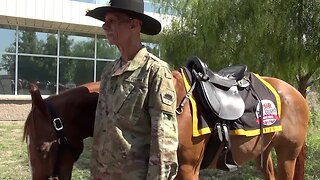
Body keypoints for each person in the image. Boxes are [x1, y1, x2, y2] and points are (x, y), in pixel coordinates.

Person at [86, 0, 179, 179]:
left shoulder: (155, 72)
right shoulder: (109, 71)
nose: (105, 26)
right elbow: (102, 127)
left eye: (112, 20)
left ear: (134, 24)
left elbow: (164, 142)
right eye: (105, 21)